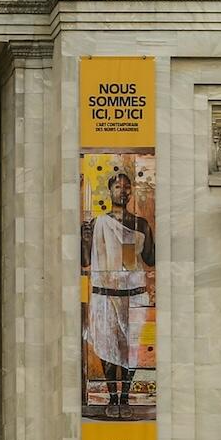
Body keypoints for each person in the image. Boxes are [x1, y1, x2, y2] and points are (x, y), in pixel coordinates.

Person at [80, 168, 155, 418]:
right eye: (117, 186)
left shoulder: (140, 224)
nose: (122, 191)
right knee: (107, 345)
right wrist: (85, 238)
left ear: (131, 191)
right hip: (105, 294)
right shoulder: (97, 223)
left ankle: (125, 397)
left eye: (126, 186)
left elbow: (150, 259)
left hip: (134, 294)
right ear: (110, 190)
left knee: (131, 348)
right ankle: (113, 397)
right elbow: (84, 261)